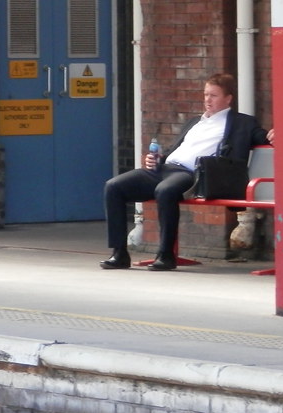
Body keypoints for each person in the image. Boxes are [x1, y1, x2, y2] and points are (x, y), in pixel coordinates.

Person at [100, 73, 273, 271]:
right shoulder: (194, 122)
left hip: (191, 174)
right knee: (113, 186)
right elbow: (178, 149)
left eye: (214, 95)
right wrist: (158, 159)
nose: (207, 99)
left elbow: (264, 137)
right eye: (206, 94)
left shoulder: (242, 123)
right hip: (165, 168)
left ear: (228, 98)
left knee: (165, 191)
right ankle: (119, 253)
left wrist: (277, 134)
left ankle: (166, 255)